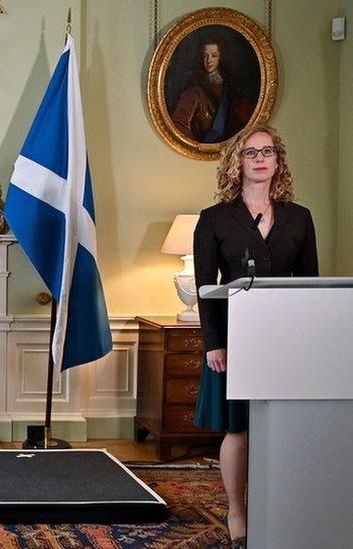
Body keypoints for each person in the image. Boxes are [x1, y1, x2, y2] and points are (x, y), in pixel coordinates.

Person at [193, 125, 318, 548]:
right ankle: (238, 511)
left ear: (278, 161)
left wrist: (305, 345)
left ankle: (278, 506)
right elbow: (204, 288)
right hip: (233, 337)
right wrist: (214, 343)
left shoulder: (300, 217)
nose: (260, 158)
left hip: (283, 339)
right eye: (251, 153)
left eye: (268, 152)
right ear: (237, 162)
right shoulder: (214, 219)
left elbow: (310, 285)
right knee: (239, 428)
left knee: (282, 427)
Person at [171, 35, 253, 143]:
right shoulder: (194, 91)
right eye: (205, 56)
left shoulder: (229, 86)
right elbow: (179, 123)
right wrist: (199, 148)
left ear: (220, 57)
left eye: (214, 55)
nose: (209, 60)